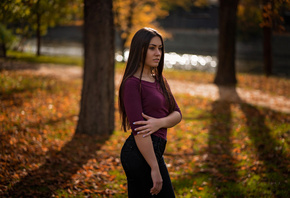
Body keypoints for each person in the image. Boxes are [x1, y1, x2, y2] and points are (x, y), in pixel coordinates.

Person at [119, 27, 182, 198]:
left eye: (160, 48)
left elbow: (177, 113)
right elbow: (139, 130)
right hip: (140, 153)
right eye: (152, 48)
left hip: (154, 151)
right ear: (140, 50)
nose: (158, 53)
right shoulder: (132, 84)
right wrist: (155, 168)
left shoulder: (160, 80)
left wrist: (159, 122)